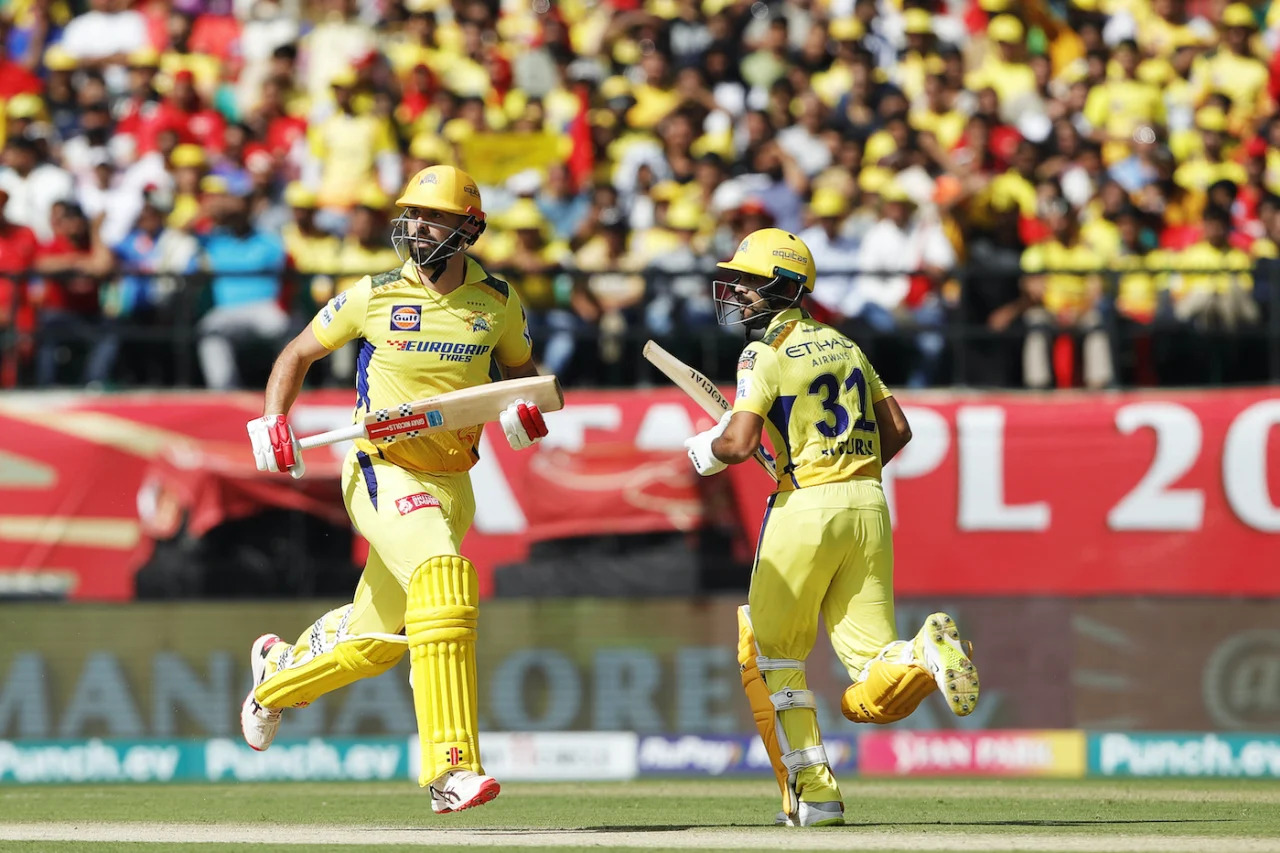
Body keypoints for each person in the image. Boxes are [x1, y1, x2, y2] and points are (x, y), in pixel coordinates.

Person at [240, 165, 547, 813]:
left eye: (431, 216)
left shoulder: (497, 300)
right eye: (411, 213)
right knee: (443, 577)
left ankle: (276, 678)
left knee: (375, 642)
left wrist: (525, 411)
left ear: (467, 228)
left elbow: (527, 378)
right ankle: (450, 768)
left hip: (453, 479)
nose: (415, 226)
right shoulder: (373, 293)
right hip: (382, 466)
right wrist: (274, 416)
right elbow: (296, 354)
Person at [683, 228, 979, 828]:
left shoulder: (757, 353)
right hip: (868, 503)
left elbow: (739, 443)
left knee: (774, 658)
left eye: (747, 281)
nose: (736, 290)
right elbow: (898, 429)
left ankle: (816, 794)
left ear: (784, 287)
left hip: (805, 509)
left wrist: (707, 451)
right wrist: (846, 469)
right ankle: (921, 655)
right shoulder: (844, 344)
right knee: (872, 672)